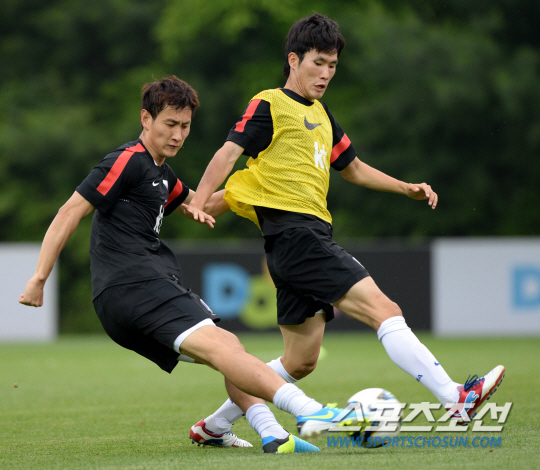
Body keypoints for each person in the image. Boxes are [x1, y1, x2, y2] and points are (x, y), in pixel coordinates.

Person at [185, 13, 505, 447]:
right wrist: (198, 202)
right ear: (294, 60)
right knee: (384, 310)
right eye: (318, 62)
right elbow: (227, 154)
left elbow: (352, 168)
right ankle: (455, 397)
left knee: (300, 361)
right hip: (300, 238)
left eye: (332, 65)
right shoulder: (269, 104)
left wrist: (405, 187)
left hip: (296, 245)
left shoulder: (321, 114)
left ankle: (215, 425)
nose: (325, 73)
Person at [19, 75, 360, 454]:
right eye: (170, 124)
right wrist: (39, 278)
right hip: (137, 285)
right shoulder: (127, 160)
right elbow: (69, 211)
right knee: (227, 351)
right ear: (145, 118)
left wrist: (263, 183)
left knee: (227, 350)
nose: (178, 135)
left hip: (120, 301)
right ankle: (312, 411)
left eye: (185, 126)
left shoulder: (161, 174)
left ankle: (264, 435)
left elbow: (200, 203)